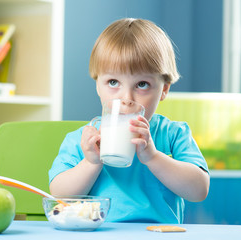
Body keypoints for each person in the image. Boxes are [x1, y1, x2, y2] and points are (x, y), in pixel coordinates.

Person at [49, 18, 209, 223]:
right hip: (100, 235)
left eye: (142, 84)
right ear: (98, 85)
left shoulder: (173, 134)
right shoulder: (83, 139)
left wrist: (153, 157)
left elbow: (199, 190)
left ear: (164, 89)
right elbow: (59, 193)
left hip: (160, 234)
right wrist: (90, 163)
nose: (127, 99)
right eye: (113, 82)